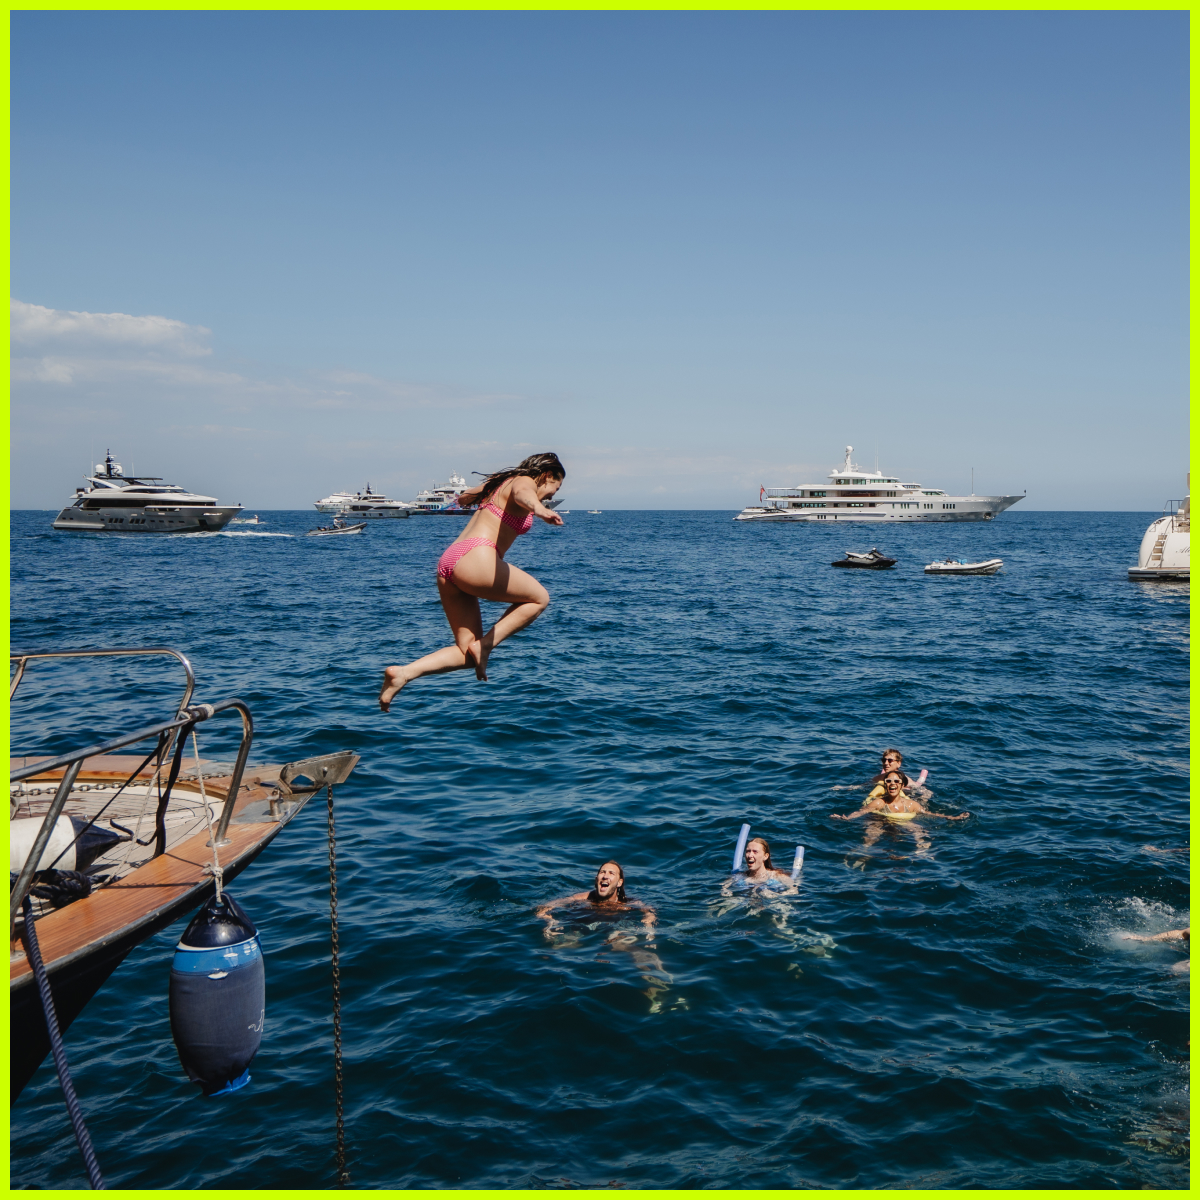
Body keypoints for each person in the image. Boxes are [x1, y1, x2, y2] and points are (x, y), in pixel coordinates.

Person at [379, 452, 565, 709]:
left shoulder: (501, 483)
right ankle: (487, 645)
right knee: (539, 598)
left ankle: (403, 673)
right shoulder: (524, 481)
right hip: (476, 556)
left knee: (467, 654)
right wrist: (540, 509)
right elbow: (525, 494)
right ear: (547, 475)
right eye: (556, 487)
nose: (552, 495)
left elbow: (465, 496)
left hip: (451, 561)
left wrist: (480, 491)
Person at [833, 772, 968, 823]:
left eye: (896, 781)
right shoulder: (879, 803)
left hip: (904, 823)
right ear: (885, 784)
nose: (892, 784)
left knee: (919, 831)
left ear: (902, 785)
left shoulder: (911, 804)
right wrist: (847, 818)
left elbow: (929, 814)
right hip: (880, 821)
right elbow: (861, 811)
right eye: (888, 781)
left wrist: (951, 817)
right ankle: (863, 853)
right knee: (872, 831)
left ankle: (922, 853)